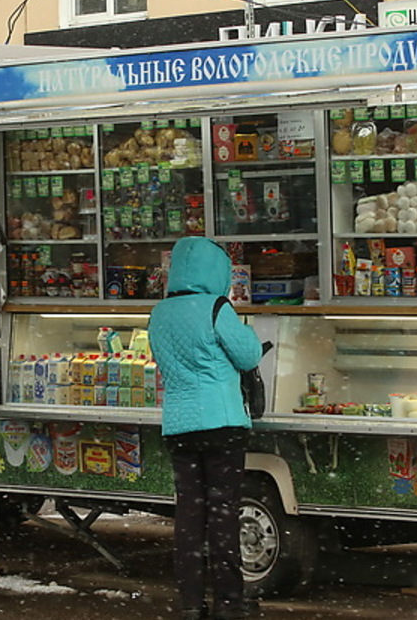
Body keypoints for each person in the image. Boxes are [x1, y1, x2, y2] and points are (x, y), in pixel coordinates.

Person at [148, 236, 264, 620]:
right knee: (223, 515)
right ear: (217, 272)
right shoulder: (217, 307)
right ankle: (229, 602)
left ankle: (191, 604)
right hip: (221, 423)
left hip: (179, 425)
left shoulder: (160, 312)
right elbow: (247, 353)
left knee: (189, 517)